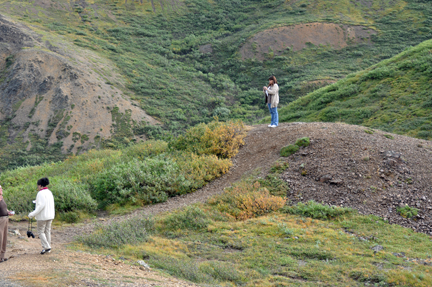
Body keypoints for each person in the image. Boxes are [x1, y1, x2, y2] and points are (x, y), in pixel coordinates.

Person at [28, 177, 55, 255]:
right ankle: (47, 248)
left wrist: (32, 214)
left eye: (38, 185)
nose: (37, 187)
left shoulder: (40, 193)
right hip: (50, 215)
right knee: (47, 231)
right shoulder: (49, 192)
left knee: (40, 231)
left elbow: (41, 206)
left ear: (40, 185)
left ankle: (46, 246)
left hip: (43, 216)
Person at [0, 185, 14, 263]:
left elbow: (4, 208)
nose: (1, 189)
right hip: (0, 219)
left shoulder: (2, 198)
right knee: (0, 237)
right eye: (0, 188)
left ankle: (2, 256)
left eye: (1, 188)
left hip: (5, 218)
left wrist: (8, 212)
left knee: (4, 237)